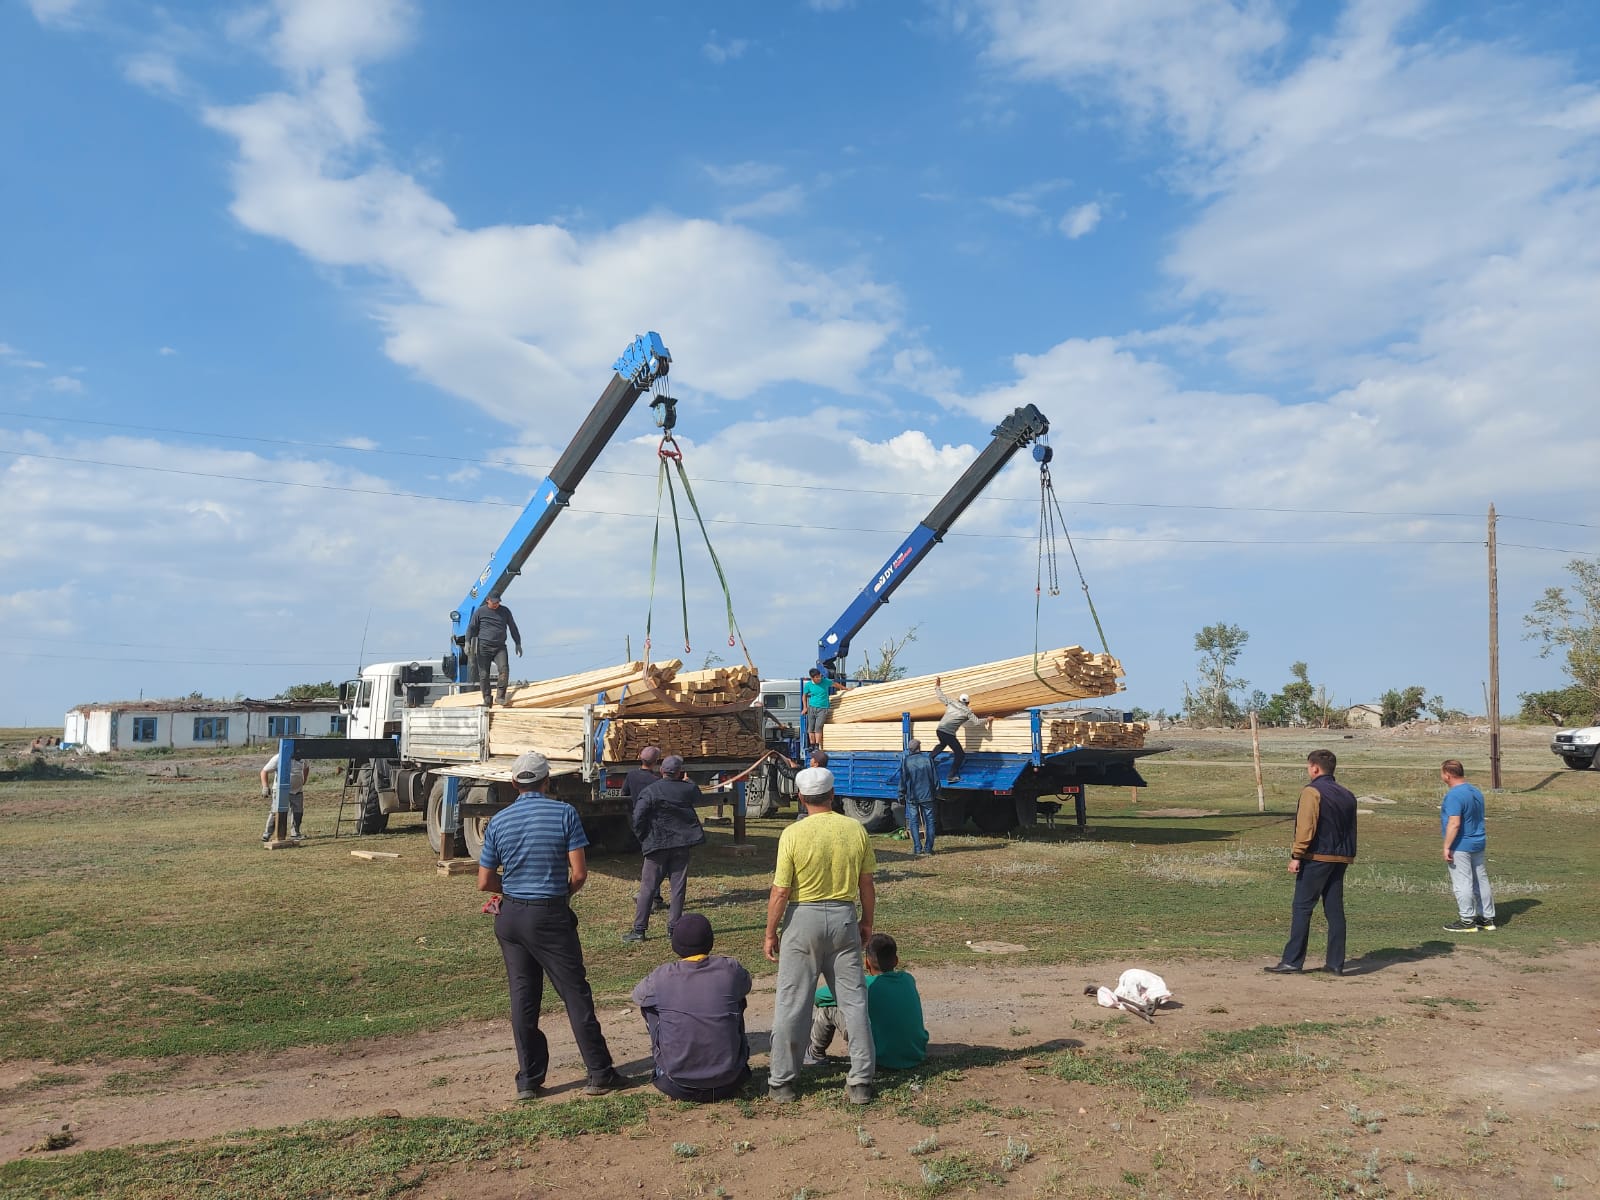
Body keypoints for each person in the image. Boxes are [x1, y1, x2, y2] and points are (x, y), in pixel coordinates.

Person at [477, 750, 632, 1099]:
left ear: (514, 783)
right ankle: (599, 1073)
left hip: (511, 917)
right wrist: (559, 894)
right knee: (575, 994)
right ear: (548, 781)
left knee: (524, 999)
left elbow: (484, 881)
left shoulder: (499, 821)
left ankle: (529, 1081)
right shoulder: (564, 813)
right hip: (549, 914)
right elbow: (579, 873)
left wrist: (513, 890)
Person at [764, 766, 877, 1105]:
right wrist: (867, 921)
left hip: (803, 918)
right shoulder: (855, 829)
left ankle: (782, 1082)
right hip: (843, 916)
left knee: (792, 1001)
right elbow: (866, 884)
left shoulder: (793, 833)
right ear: (833, 794)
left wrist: (771, 931)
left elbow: (781, 891)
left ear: (800, 797)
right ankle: (860, 1081)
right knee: (853, 1001)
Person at [631, 912, 753, 1102]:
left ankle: (672, 1060)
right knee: (736, 999)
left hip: (677, 1083)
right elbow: (746, 985)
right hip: (730, 1079)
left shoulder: (661, 976)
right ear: (710, 941)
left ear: (676, 945)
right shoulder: (730, 970)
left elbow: (637, 996)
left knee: (651, 1006)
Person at [1265, 749, 1358, 976]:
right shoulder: (1347, 794)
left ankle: (1292, 961)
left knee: (1302, 907)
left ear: (1314, 768)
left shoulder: (1312, 791)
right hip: (1341, 857)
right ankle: (1336, 963)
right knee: (1334, 910)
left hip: (1317, 856)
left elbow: (1307, 826)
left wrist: (1297, 855)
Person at [807, 932, 928, 1071]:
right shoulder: (908, 979)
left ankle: (815, 1054)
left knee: (827, 1008)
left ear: (866, 963)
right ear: (896, 960)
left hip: (876, 1060)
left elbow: (818, 997)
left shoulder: (863, 984)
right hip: (916, 1056)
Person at [624, 755, 706, 944]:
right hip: (681, 844)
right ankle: (674, 929)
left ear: (661, 771)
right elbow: (697, 795)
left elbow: (638, 817)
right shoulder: (688, 789)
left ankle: (639, 930)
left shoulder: (651, 790)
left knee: (648, 888)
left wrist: (643, 836)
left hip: (657, 844)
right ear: (679, 772)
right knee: (678, 888)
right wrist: (688, 781)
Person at [1439, 760, 1496, 933]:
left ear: (1448, 774)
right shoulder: (1476, 791)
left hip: (1461, 844)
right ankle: (1487, 918)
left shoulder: (1454, 795)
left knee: (1463, 882)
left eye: (1442, 773)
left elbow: (1454, 823)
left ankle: (1467, 921)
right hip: (1478, 841)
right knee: (1481, 880)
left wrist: (1447, 846)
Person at [622, 746, 667, 914]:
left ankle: (655, 897)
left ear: (639, 757)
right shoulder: (657, 782)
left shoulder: (631, 775)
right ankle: (649, 898)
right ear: (656, 762)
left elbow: (624, 792)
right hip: (654, 823)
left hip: (638, 821)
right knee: (656, 862)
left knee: (652, 858)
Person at [466, 593, 523, 707]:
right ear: (488, 600)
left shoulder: (505, 611)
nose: (496, 604)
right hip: (483, 648)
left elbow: (513, 627)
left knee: (504, 670)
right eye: (494, 602)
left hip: (500, 648)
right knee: (483, 674)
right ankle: (487, 699)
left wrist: (518, 643)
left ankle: (500, 697)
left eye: (498, 602)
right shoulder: (480, 612)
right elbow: (471, 627)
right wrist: (467, 642)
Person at [931, 676, 989, 783]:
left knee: (942, 744)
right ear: (968, 703)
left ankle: (929, 759)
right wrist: (987, 719)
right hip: (948, 733)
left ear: (959, 700)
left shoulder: (952, 703)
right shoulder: (967, 712)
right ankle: (951, 776)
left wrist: (937, 686)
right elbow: (977, 722)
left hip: (939, 730)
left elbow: (940, 696)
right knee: (960, 754)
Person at [897, 738, 939, 856]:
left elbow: (903, 781)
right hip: (927, 796)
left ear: (910, 750)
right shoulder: (927, 759)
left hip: (912, 797)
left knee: (914, 822)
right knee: (929, 822)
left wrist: (901, 794)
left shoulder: (906, 762)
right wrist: (936, 792)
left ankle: (917, 848)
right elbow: (935, 779)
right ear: (919, 748)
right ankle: (928, 849)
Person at [259, 752, 309, 842]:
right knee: (276, 812)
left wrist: (303, 780)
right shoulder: (278, 758)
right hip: (280, 790)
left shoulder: (302, 758)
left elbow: (306, 767)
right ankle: (267, 834)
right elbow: (264, 771)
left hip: (297, 791)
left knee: (298, 812)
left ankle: (295, 833)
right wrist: (265, 786)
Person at [801, 667, 841, 749]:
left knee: (818, 727)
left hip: (823, 708)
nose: (819, 678)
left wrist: (846, 689)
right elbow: (804, 696)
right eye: (817, 677)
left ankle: (817, 745)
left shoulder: (825, 681)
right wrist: (805, 707)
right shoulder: (808, 685)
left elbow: (835, 684)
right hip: (812, 707)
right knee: (810, 728)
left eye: (819, 676)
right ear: (812, 678)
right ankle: (811, 745)